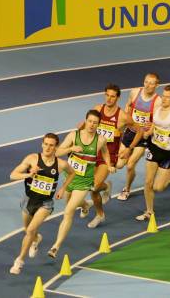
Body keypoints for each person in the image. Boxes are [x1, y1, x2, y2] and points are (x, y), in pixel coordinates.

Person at [47, 110, 114, 258]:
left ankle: (55, 246)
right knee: (72, 203)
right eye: (89, 121)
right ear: (85, 121)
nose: (91, 125)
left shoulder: (101, 140)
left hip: (84, 181)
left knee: (68, 211)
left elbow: (105, 153)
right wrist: (71, 149)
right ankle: (85, 205)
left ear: (98, 124)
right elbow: (57, 153)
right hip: (70, 178)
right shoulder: (73, 135)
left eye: (95, 123)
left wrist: (109, 164)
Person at [8, 133, 75, 274]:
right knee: (28, 231)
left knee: (31, 230)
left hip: (45, 203)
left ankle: (19, 261)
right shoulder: (32, 159)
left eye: (51, 145)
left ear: (56, 147)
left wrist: (63, 188)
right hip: (28, 200)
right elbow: (12, 175)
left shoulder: (61, 164)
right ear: (42, 144)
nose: (48, 147)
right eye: (45, 144)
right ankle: (36, 239)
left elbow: (72, 173)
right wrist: (28, 175)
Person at [87, 83, 143, 228]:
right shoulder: (97, 109)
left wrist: (129, 148)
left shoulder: (123, 116)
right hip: (93, 152)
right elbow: (88, 125)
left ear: (117, 98)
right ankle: (105, 193)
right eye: (107, 95)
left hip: (109, 156)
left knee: (93, 186)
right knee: (90, 188)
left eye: (113, 96)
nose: (109, 99)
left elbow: (140, 131)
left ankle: (99, 213)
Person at [135, 85, 170, 221]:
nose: (164, 98)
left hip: (168, 154)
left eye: (167, 97)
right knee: (148, 183)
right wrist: (148, 133)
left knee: (158, 187)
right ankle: (149, 212)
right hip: (154, 148)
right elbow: (155, 125)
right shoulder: (157, 109)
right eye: (163, 95)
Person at [116, 73, 162, 201]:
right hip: (130, 132)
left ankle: (127, 189)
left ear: (156, 85)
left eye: (151, 83)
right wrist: (126, 119)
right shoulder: (135, 92)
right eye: (146, 82)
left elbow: (158, 121)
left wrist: (150, 130)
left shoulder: (158, 101)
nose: (148, 85)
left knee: (130, 165)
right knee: (119, 164)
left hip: (143, 137)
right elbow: (128, 105)